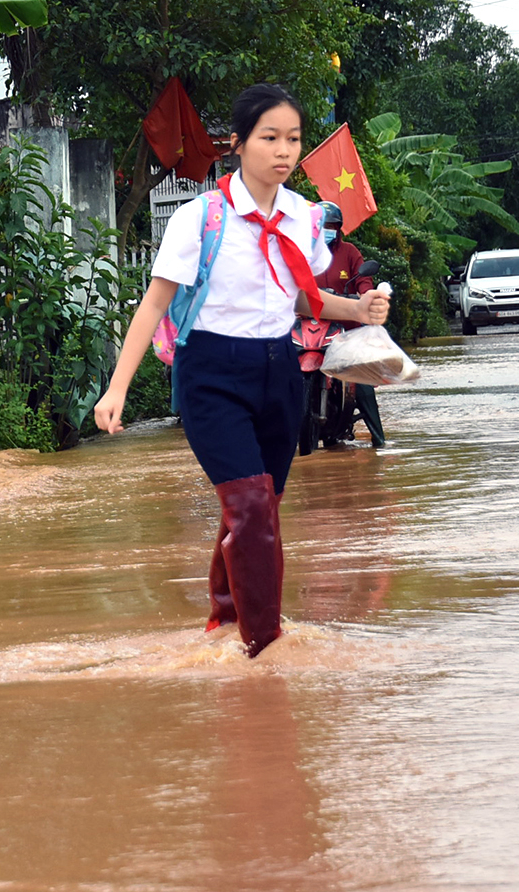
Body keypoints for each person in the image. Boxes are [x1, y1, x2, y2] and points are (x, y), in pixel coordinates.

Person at [93, 84, 391, 658]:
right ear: (238, 144)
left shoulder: (305, 217)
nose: (283, 151)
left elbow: (302, 297)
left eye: (293, 140)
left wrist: (356, 309)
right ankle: (266, 648)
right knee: (251, 507)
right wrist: (118, 388)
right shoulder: (199, 217)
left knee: (259, 508)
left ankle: (225, 623)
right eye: (269, 138)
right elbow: (154, 304)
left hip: (279, 371)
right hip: (210, 373)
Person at [313, 205, 388, 448]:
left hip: (346, 330)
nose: (328, 231)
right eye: (324, 226)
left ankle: (379, 440)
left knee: (362, 382)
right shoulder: (305, 254)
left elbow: (364, 282)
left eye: (332, 227)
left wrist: (365, 296)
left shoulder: (349, 252)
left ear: (339, 229)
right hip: (311, 328)